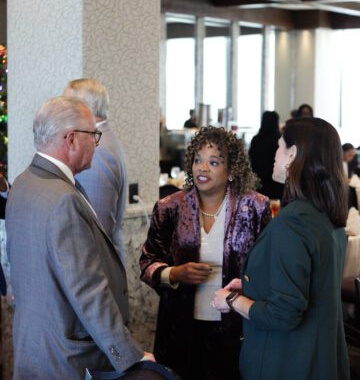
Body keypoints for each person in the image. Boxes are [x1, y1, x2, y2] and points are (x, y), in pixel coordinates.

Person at [6, 96, 154, 379]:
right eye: (93, 135)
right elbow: (88, 291)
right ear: (71, 139)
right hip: (66, 358)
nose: (96, 143)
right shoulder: (64, 200)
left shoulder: (23, 183)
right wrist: (129, 355)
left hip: (34, 346)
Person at [213, 118, 350, 380]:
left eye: (279, 147)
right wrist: (253, 286)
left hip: (290, 361)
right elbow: (314, 285)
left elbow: (284, 314)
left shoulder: (293, 221)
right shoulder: (327, 216)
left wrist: (231, 300)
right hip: (323, 357)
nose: (274, 155)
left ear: (293, 154)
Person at [140, 126, 271, 380]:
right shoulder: (170, 207)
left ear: (231, 170)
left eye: (213, 162)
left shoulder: (255, 207)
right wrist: (174, 274)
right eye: (197, 160)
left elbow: (267, 267)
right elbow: (147, 262)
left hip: (237, 326)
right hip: (181, 327)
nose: (202, 168)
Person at [63, 78, 128, 257]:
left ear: (84, 108)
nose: (63, 110)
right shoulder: (102, 138)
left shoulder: (98, 150)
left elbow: (95, 229)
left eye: (67, 104)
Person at [248, 110, 284, 199]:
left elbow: (251, 160)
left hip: (259, 180)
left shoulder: (256, 139)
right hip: (276, 181)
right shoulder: (279, 140)